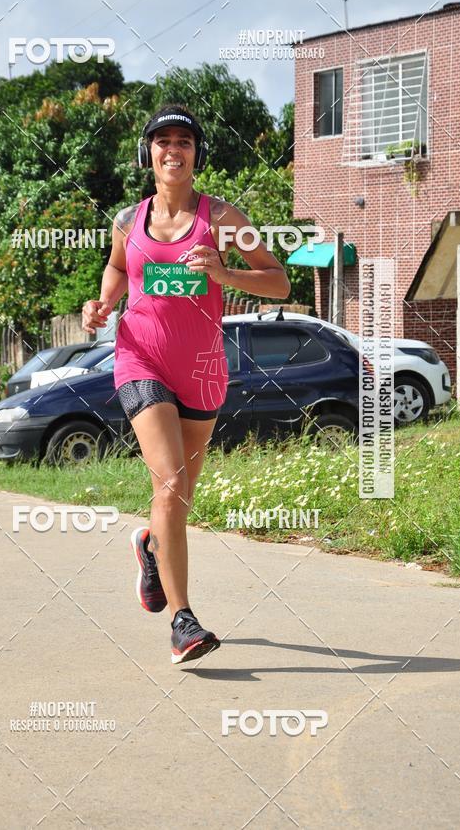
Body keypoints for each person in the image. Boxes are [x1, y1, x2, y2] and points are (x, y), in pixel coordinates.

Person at [82, 104, 290, 664]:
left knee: (180, 497)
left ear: (197, 154)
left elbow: (279, 282)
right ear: (148, 152)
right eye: (162, 140)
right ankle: (183, 621)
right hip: (140, 358)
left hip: (201, 368)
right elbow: (120, 270)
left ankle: (149, 546)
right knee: (169, 484)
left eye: (184, 141)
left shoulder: (223, 218)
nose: (173, 149)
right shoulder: (128, 221)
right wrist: (101, 305)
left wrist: (224, 273)